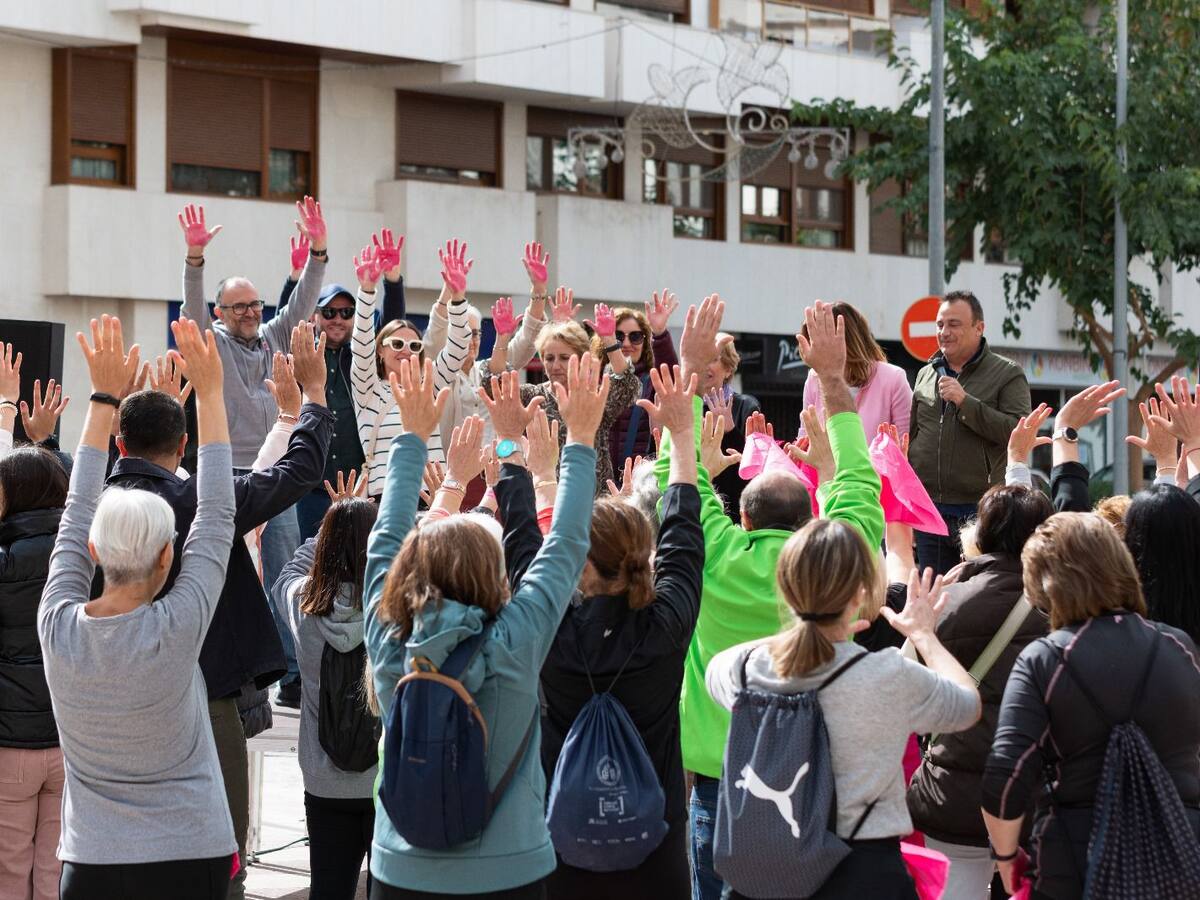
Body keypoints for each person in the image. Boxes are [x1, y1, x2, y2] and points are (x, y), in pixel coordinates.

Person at [363, 352, 608, 899]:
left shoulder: (390, 635)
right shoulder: (516, 639)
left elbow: (384, 540)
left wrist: (412, 435)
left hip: (400, 868)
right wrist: (579, 439)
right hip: (510, 869)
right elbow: (568, 542)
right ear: (496, 574)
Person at [666, 299, 887, 900]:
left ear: (741, 516)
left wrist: (690, 374)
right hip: (819, 775)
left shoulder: (713, 553)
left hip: (721, 779)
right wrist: (834, 380)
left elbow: (678, 484)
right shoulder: (833, 560)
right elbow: (860, 485)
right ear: (812, 516)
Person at [102, 322, 333, 892]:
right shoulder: (204, 502)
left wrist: (108, 406)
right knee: (224, 843)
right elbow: (298, 473)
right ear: (183, 445)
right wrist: (313, 396)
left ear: (120, 445)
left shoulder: (91, 507)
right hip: (207, 691)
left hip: (115, 693)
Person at [40, 315, 239, 899]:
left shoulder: (57, 626)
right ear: (166, 556)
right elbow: (217, 513)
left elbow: (76, 512)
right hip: (190, 852)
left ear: (94, 552)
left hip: (92, 861)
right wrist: (210, 394)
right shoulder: (178, 626)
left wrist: (103, 398)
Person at [496, 361, 701, 899]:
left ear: (577, 562)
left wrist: (513, 447)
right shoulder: (666, 624)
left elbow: (522, 542)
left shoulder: (547, 625)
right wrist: (683, 436)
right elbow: (683, 532)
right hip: (655, 848)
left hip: (563, 845)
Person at [706, 561, 981, 900]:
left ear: (787, 592)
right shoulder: (888, 674)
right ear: (859, 596)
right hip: (864, 873)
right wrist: (923, 635)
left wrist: (803, 631)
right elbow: (968, 705)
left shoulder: (750, 669)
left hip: (767, 876)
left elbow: (717, 667)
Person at [981, 513, 1200, 898]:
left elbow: (1005, 778)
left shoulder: (1043, 660)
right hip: (1180, 858)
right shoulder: (1179, 647)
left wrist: (1006, 859)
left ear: (1046, 588)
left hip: (1074, 867)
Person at [179, 200, 329, 705]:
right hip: (225, 475)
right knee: (225, 574)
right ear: (220, 314)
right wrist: (194, 260)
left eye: (254, 304)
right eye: (238, 306)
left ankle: (293, 675)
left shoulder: (274, 337)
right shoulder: (212, 344)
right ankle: (234, 674)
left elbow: (304, 300)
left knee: (286, 571)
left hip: (274, 473)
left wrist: (319, 251)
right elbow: (191, 311)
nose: (250, 312)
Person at [906, 484, 1053, 900]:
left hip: (952, 798)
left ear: (981, 535)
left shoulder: (947, 603)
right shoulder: (1061, 607)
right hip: (1032, 796)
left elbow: (908, 693)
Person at [275, 491, 379, 900]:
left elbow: (286, 573)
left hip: (323, 782)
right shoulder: (394, 611)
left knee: (328, 889)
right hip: (383, 781)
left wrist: (328, 527)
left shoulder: (305, 604)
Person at [908, 291, 1031, 574]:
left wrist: (966, 403)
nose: (944, 332)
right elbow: (916, 434)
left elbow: (1017, 432)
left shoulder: (1007, 373)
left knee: (978, 588)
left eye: (954, 324)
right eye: (940, 324)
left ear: (979, 328)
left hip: (980, 509)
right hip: (930, 510)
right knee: (935, 591)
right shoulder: (927, 373)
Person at [352, 238, 473, 497]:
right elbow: (361, 344)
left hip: (431, 497)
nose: (406, 350)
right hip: (382, 498)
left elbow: (458, 348)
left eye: (415, 346)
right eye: (397, 344)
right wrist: (367, 291)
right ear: (380, 350)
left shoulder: (428, 386)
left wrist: (458, 298)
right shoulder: (368, 390)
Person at [0, 445, 68, 900]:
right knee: (54, 872)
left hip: (10, 740)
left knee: (8, 869)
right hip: (69, 738)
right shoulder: (83, 555)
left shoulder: (5, 559)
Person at [505, 288, 638, 495]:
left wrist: (610, 341)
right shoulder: (531, 396)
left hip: (594, 501)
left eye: (564, 358)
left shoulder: (594, 397)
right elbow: (492, 385)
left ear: (581, 358)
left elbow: (627, 384)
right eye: (549, 358)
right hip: (544, 498)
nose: (556, 365)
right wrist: (502, 339)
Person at [798, 300, 911, 438]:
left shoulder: (893, 378)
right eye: (812, 339)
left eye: (821, 338)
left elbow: (906, 442)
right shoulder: (813, 378)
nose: (815, 346)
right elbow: (805, 437)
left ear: (847, 339)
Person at [599, 290, 680, 476]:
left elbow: (670, 378)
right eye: (618, 336)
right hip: (597, 480)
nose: (627, 343)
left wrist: (659, 334)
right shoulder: (595, 378)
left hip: (639, 479)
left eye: (635, 336)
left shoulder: (652, 380)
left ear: (645, 341)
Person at [697, 324, 761, 521]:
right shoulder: (689, 405)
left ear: (728, 369)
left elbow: (751, 468)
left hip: (732, 511)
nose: (705, 365)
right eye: (702, 357)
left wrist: (730, 431)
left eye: (713, 359)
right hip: (694, 503)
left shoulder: (746, 406)